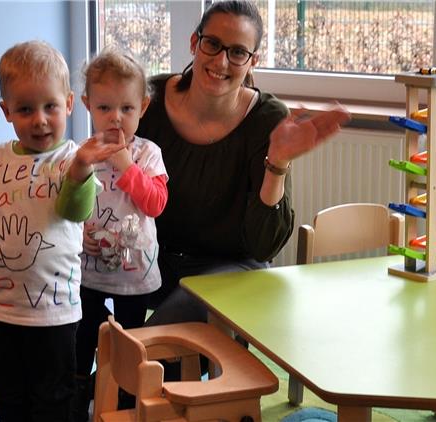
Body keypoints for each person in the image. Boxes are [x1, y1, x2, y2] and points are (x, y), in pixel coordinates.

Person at [136, 1, 350, 331]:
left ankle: (113, 379)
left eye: (238, 52)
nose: (221, 60)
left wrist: (277, 162)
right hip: (152, 257)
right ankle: (78, 378)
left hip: (230, 269)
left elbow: (263, 246)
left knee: (195, 304)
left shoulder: (267, 118)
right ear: (195, 43)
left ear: (252, 61)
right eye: (212, 44)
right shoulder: (148, 99)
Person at [0, 40, 124, 422]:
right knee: (8, 398)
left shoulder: (74, 159)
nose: (40, 120)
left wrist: (80, 172)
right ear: (6, 110)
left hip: (54, 313)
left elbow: (75, 210)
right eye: (25, 109)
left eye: (50, 107)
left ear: (70, 104)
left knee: (53, 400)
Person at [72, 47, 168, 421]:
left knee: (131, 338)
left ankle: (128, 395)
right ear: (87, 105)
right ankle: (80, 389)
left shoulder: (148, 154)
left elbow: (156, 203)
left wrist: (126, 165)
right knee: (82, 334)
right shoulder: (82, 153)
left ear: (143, 107)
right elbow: (65, 204)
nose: (116, 119)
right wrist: (78, 234)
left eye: (127, 109)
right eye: (105, 108)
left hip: (135, 272)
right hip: (87, 270)